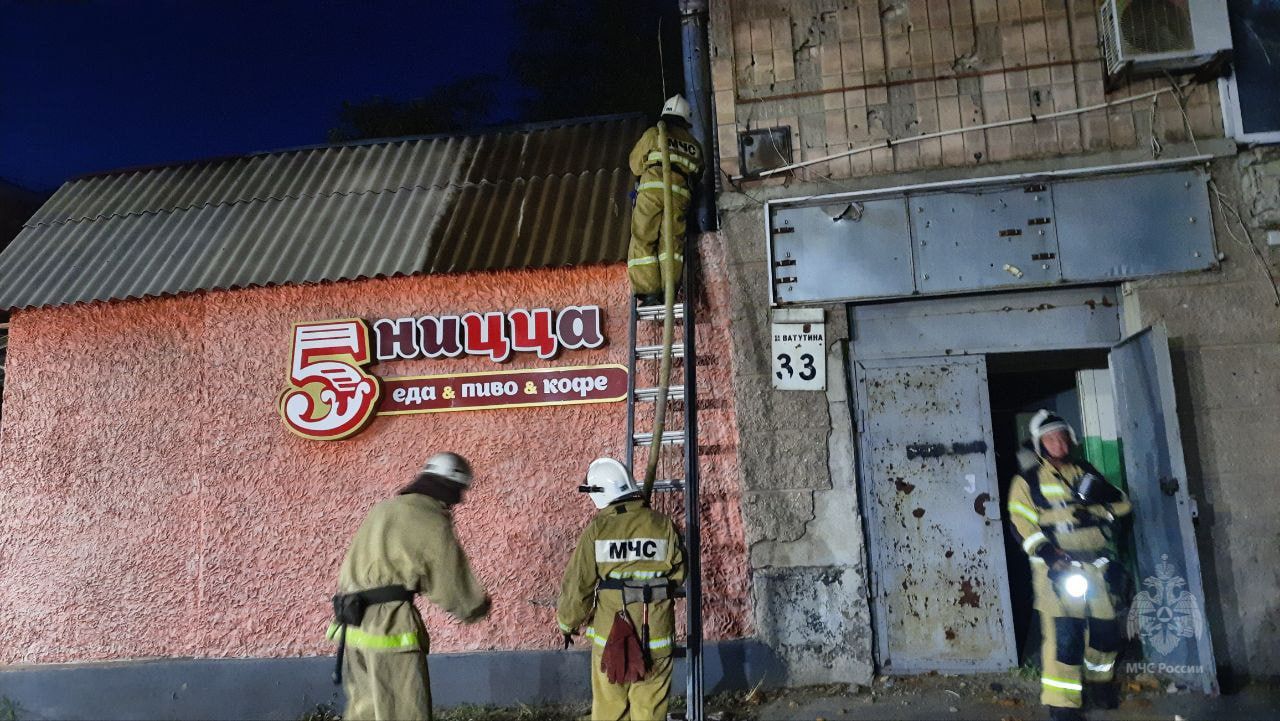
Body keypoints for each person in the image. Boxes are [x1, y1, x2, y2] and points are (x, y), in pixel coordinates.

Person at [328, 452, 491, 721]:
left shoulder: (383, 509)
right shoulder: (430, 520)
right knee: (402, 709)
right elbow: (450, 582)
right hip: (389, 628)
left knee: (365, 710)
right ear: (451, 488)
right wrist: (476, 607)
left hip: (351, 624)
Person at [1007, 411, 1132, 721]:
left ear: (1071, 439)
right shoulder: (1027, 481)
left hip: (1098, 567)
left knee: (1105, 633)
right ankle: (1062, 704)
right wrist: (1048, 553)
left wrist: (1099, 511)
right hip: (1058, 570)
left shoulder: (1086, 472)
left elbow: (1123, 503)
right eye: (1051, 439)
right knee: (1066, 637)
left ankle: (1099, 685)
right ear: (1040, 444)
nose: (1058, 444)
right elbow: (1020, 522)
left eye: (1062, 437)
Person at [556, 458, 685, 721]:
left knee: (610, 709)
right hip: (656, 635)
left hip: (611, 637)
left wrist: (568, 623)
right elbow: (679, 574)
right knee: (650, 710)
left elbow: (578, 584)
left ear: (600, 493)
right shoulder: (663, 524)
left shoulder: (599, 529)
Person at [627, 95, 704, 305]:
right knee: (671, 244)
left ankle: (649, 292)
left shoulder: (654, 133)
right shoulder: (694, 146)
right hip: (679, 197)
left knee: (643, 238)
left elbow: (635, 165)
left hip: (651, 193)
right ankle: (668, 291)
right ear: (686, 120)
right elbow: (698, 174)